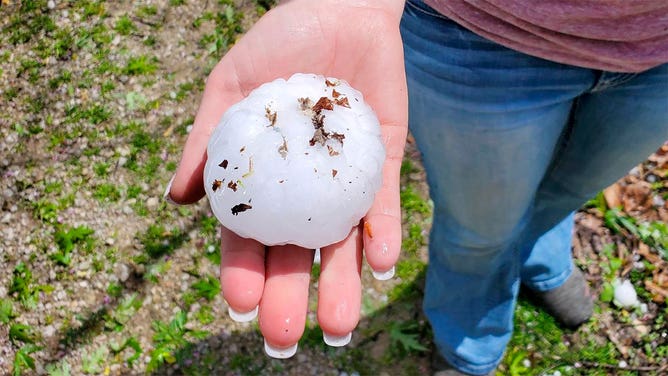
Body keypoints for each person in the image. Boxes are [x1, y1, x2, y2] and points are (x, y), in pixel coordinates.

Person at [165, 0, 668, 374]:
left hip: (657, 54)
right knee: (479, 228)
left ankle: (540, 252)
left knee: (567, 188)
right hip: (480, 38)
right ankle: (470, 343)